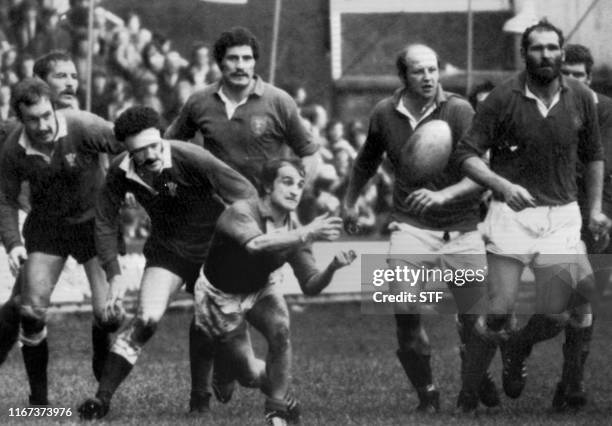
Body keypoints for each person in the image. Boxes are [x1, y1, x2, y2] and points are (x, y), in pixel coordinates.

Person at [454, 21, 607, 411]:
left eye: (553, 47)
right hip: (511, 217)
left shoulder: (582, 98)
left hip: (562, 218)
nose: (546, 55)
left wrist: (593, 211)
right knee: (499, 311)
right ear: (525, 54)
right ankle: (469, 392)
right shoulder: (503, 98)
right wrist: (502, 186)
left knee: (557, 314)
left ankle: (518, 349)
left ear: (562, 50)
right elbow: (466, 155)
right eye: (537, 48)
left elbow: (593, 157)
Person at [76, 106, 256, 419]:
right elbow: (104, 220)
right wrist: (114, 273)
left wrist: (247, 239)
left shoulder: (191, 157)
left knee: (234, 354)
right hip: (168, 251)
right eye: (139, 151)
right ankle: (101, 400)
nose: (149, 156)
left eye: (154, 145)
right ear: (128, 152)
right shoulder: (120, 171)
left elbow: (245, 193)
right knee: (145, 319)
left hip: (214, 250)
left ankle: (202, 393)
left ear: (163, 138)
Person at [343, 43, 495, 413]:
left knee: (476, 322)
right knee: (403, 308)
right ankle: (427, 394)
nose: (428, 77)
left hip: (462, 227)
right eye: (418, 71)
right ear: (403, 76)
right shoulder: (384, 113)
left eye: (433, 70)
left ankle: (472, 385)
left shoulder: (459, 110)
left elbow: (483, 174)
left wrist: (444, 197)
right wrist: (348, 201)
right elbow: (366, 160)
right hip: (410, 226)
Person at [193, 158, 355, 425]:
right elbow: (257, 245)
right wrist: (307, 233)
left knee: (281, 330)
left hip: (259, 288)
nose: (295, 191)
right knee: (249, 376)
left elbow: (311, 285)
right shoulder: (241, 210)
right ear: (268, 185)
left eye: (300, 185)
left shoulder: (296, 228)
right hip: (219, 295)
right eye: (287, 182)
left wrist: (333, 268)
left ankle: (276, 408)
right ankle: (227, 366)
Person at [0, 78, 126, 405]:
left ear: (54, 108)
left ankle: (101, 349)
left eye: (46, 115)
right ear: (20, 118)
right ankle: (38, 402)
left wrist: (120, 187)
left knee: (110, 314)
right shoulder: (14, 148)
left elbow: (128, 144)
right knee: (30, 310)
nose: (42, 125)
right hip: (48, 226)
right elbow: (5, 199)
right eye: (33, 119)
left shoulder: (83, 125)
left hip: (92, 223)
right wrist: (13, 243)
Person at [165, 26, 319, 189]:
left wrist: (292, 192)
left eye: (247, 58)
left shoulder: (279, 101)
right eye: (232, 58)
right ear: (220, 63)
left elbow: (310, 154)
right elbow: (168, 146)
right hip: (217, 207)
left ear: (254, 62)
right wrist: (178, 190)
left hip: (262, 207)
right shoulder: (199, 101)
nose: (240, 66)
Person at [551, 43, 612, 410]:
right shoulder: (548, 109)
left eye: (578, 75)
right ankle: (519, 351)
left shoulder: (606, 112)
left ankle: (572, 383)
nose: (572, 80)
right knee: (553, 305)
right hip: (554, 212)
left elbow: (604, 171)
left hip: (596, 214)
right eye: (566, 74)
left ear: (588, 79)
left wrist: (599, 213)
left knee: (581, 296)